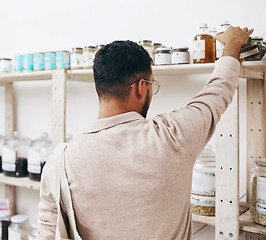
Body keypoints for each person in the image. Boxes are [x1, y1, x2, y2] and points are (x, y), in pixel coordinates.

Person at [37, 26, 253, 239]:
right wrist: (232, 46)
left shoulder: (60, 162)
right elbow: (217, 93)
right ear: (142, 87)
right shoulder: (173, 135)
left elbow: (46, 233)